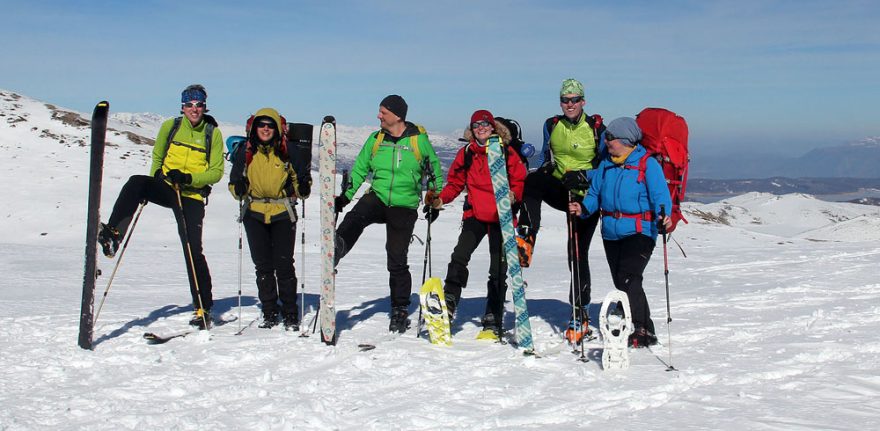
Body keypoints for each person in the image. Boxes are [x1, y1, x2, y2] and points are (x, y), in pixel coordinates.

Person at [97, 84, 224, 329]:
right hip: (167, 187)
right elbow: (157, 156)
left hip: (191, 195)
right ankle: (114, 234)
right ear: (183, 107)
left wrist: (189, 179)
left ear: (204, 106)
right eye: (189, 104)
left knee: (192, 249)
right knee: (136, 183)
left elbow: (216, 172)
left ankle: (203, 307)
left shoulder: (212, 133)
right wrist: (156, 178)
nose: (194, 109)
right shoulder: (171, 126)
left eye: (198, 104)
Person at [334, 95, 444, 333]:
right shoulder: (376, 139)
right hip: (379, 196)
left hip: (404, 204)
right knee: (356, 216)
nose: (378, 116)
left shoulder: (418, 141)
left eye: (383, 112)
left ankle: (400, 309)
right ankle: (338, 246)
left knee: (396, 257)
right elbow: (360, 169)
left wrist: (434, 201)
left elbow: (435, 172)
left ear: (397, 115)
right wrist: (345, 196)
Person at [568, 117, 672, 347]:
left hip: (640, 231)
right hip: (611, 232)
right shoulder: (606, 165)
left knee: (629, 276)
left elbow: (660, 196)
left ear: (625, 141)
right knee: (620, 280)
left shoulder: (647, 164)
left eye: (610, 138)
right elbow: (594, 195)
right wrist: (583, 208)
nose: (607, 141)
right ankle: (632, 316)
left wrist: (664, 217)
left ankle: (644, 329)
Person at [516, 78, 605, 343]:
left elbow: (605, 166)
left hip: (586, 197)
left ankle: (581, 313)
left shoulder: (596, 128)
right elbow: (546, 157)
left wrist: (583, 174)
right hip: (560, 188)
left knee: (576, 255)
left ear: (583, 102)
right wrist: (545, 169)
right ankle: (526, 236)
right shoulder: (552, 125)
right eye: (565, 100)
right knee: (532, 181)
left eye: (574, 99)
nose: (569, 104)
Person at [425, 110, 527, 337]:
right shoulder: (468, 153)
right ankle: (449, 301)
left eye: (485, 124)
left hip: (501, 218)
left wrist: (513, 194)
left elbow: (520, 179)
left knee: (498, 269)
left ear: (493, 127)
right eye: (476, 125)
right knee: (459, 256)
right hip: (475, 214)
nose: (481, 128)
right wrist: (440, 199)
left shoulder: (506, 151)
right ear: (472, 130)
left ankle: (493, 314)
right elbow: (455, 183)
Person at [228, 108, 308, 330]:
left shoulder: (287, 151)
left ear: (277, 128)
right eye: (261, 125)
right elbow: (234, 186)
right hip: (254, 213)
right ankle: (270, 310)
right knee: (263, 266)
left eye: (270, 125)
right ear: (254, 128)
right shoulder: (246, 151)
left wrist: (301, 186)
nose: (265, 129)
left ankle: (290, 312)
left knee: (283, 264)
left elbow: (302, 187)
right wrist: (239, 188)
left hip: (283, 212)